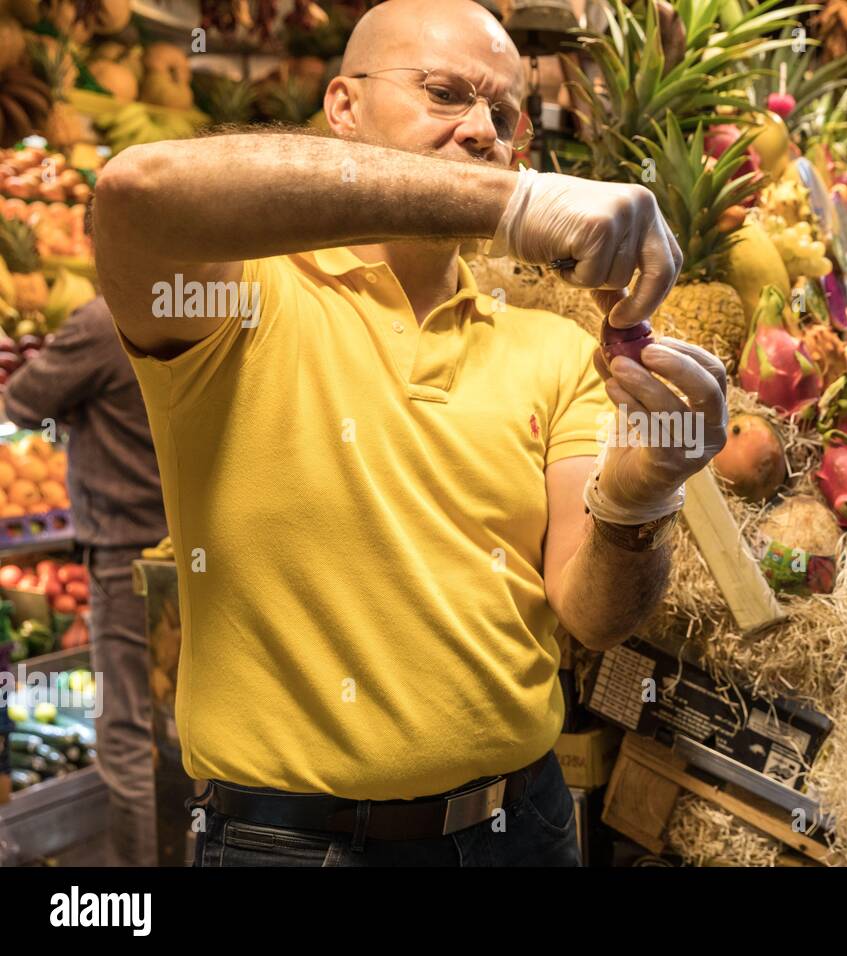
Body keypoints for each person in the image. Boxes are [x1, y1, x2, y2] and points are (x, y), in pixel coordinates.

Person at [91, 0, 725, 866]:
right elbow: (136, 193)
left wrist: (644, 498)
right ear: (343, 107)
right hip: (284, 844)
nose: (479, 130)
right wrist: (514, 204)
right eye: (442, 93)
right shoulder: (239, 298)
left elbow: (590, 613)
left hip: (519, 827)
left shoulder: (556, 348)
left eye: (503, 117)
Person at [3, 297, 169, 866]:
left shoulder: (106, 320)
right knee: (174, 734)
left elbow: (22, 404)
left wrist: (76, 406)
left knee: (125, 734)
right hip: (188, 552)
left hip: (126, 555)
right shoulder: (197, 308)